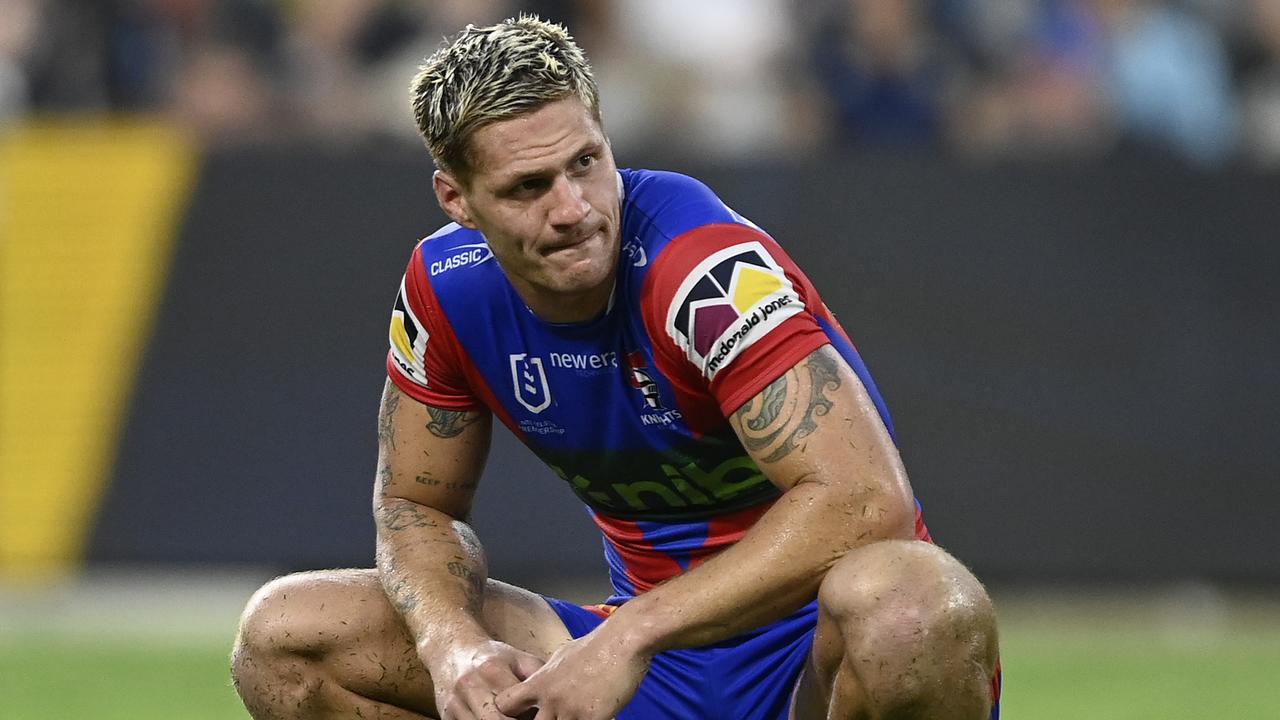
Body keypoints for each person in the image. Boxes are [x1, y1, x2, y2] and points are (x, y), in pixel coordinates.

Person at [230, 15, 1001, 720]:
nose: (573, 209)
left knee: (911, 604)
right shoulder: (445, 288)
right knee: (285, 637)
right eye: (528, 187)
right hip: (646, 660)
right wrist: (449, 644)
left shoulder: (700, 271)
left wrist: (632, 634)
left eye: (585, 163)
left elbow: (868, 501)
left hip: (814, 663)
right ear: (456, 198)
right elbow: (415, 507)